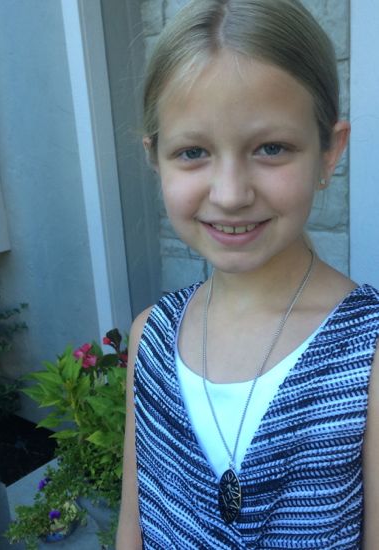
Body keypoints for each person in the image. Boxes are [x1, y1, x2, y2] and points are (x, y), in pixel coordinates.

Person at [116, 0, 379, 547]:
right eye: (193, 152)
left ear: (329, 152)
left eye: (271, 148)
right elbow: (133, 524)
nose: (231, 194)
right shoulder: (150, 338)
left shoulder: (369, 352)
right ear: (155, 158)